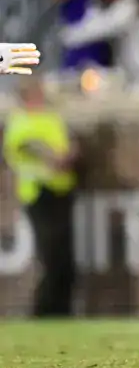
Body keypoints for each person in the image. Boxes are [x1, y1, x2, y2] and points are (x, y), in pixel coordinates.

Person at [3, 75, 76, 316]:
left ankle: (62, 311)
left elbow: (68, 147)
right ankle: (44, 311)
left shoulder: (51, 118)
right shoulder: (19, 121)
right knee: (51, 256)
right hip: (38, 194)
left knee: (65, 257)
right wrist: (54, 158)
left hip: (61, 190)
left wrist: (69, 156)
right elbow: (26, 146)